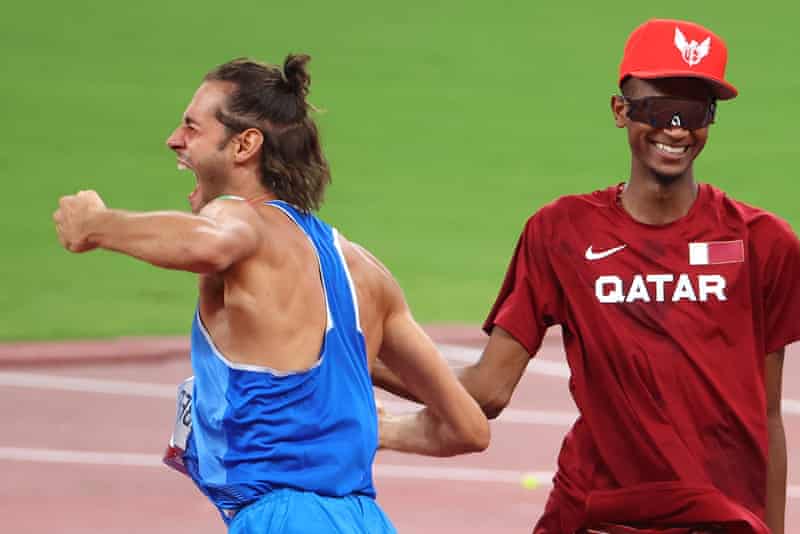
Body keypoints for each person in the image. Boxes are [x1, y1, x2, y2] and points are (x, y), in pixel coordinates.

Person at [373, 19, 800, 534]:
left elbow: (768, 415)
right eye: (656, 109)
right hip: (599, 519)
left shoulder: (762, 242)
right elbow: (488, 391)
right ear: (620, 111)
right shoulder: (561, 233)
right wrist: (354, 362)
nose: (675, 128)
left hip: (719, 523)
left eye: (692, 112)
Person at [53, 53, 490, 533]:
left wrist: (96, 226)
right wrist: (381, 429)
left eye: (192, 128)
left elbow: (210, 243)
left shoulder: (238, 219)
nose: (174, 140)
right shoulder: (366, 272)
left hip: (280, 520)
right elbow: (468, 428)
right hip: (365, 520)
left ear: (244, 145)